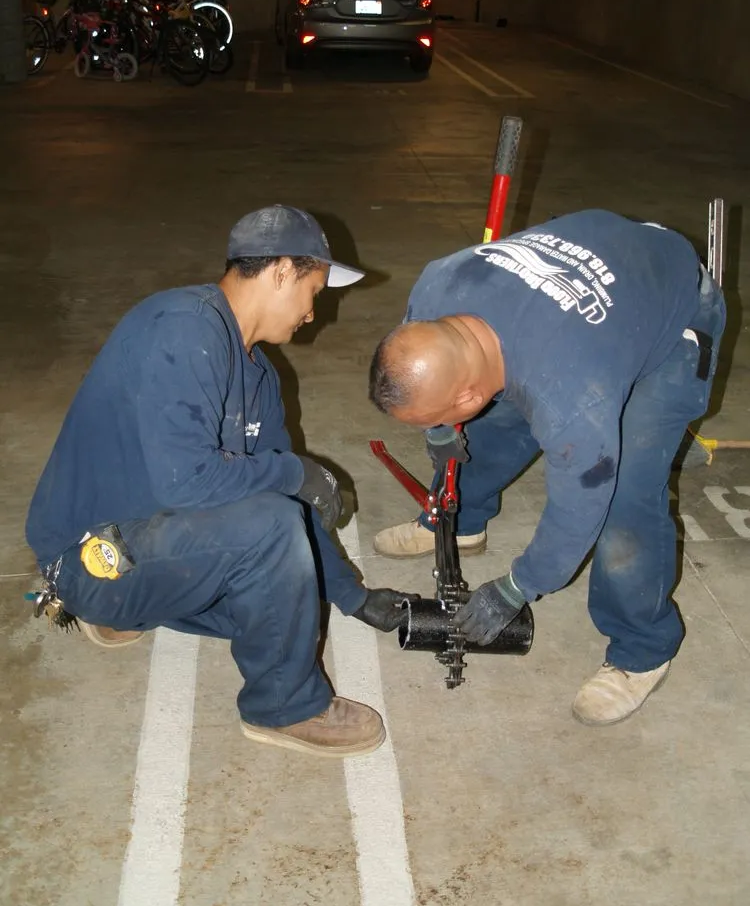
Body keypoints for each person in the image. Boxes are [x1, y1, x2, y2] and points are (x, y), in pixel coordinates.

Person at [26, 205, 415, 758]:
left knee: (285, 601)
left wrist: (353, 596)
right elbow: (192, 483)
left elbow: (287, 495)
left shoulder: (256, 374)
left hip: (155, 544)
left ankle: (130, 609)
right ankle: (284, 707)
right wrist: (295, 472)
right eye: (314, 290)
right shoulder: (185, 329)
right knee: (270, 534)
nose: (313, 314)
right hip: (90, 555)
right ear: (282, 271)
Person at [368, 210, 725, 726]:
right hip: (594, 286)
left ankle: (643, 650)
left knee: (624, 499)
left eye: (443, 414)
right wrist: (442, 431)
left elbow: (581, 505)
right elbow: (425, 372)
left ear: (465, 391)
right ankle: (460, 524)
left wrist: (518, 586)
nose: (434, 428)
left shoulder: (573, 394)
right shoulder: (439, 284)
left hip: (672, 316)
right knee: (493, 422)